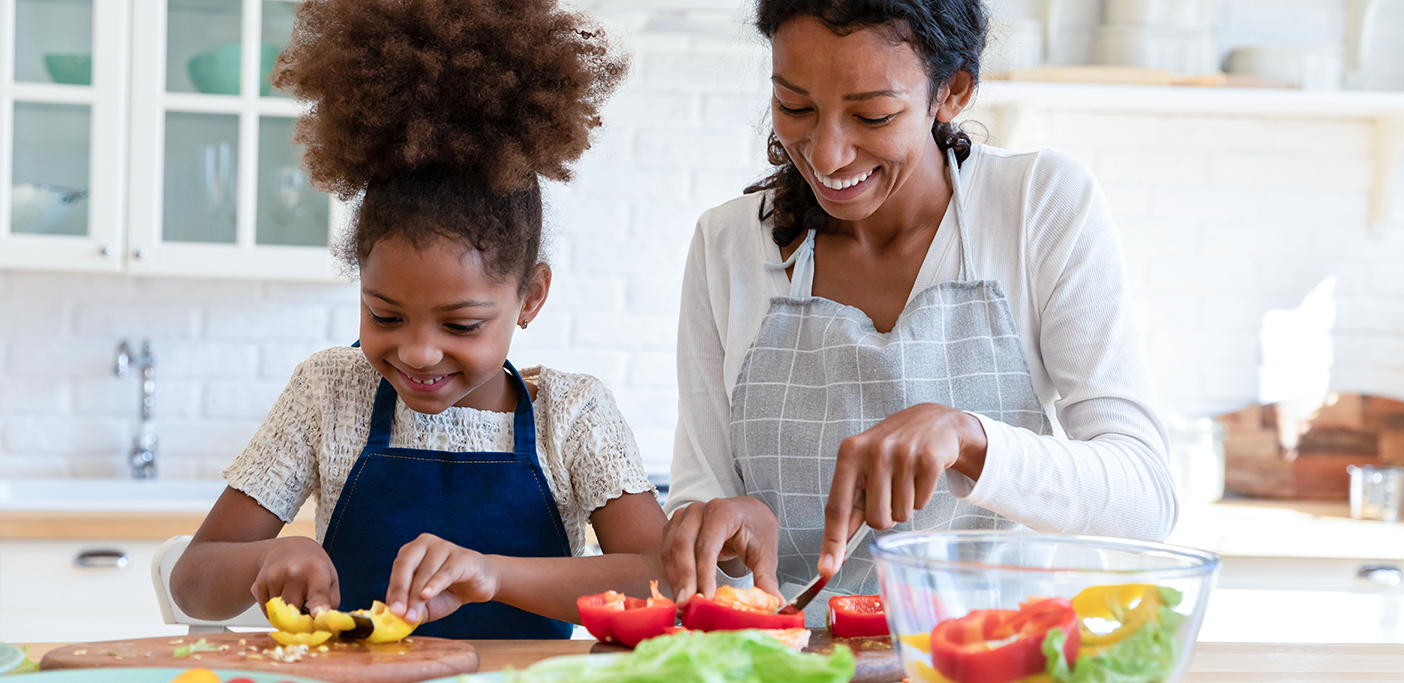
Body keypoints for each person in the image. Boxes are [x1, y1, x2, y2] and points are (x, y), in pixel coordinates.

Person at [661, 0, 1177, 625]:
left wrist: (969, 440)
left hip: (988, 654)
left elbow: (1145, 497)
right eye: (795, 107)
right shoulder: (727, 245)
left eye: (873, 115)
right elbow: (698, 514)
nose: (826, 155)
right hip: (788, 660)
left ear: (951, 91)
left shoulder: (1037, 205)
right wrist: (723, 527)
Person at [170, 0, 662, 639]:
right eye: (385, 314)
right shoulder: (328, 394)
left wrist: (494, 574)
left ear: (531, 297)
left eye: (461, 326)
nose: (419, 351)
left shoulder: (573, 417)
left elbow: (661, 584)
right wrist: (267, 558)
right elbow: (192, 579)